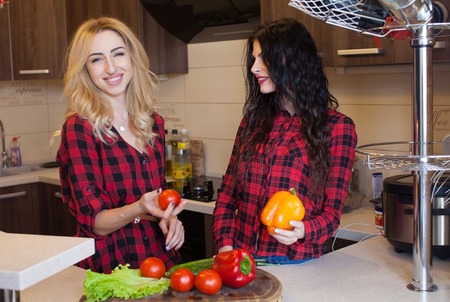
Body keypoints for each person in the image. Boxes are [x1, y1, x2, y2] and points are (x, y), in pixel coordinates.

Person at [212, 18, 357, 264]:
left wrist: (304, 230)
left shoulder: (337, 128)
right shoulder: (252, 122)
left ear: (291, 60)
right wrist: (226, 246)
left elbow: (331, 214)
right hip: (241, 258)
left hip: (295, 262)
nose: (254, 68)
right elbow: (227, 194)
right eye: (254, 59)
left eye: (262, 58)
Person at [56, 17, 186, 274]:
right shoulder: (79, 129)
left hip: (158, 262)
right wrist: (139, 207)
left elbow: (156, 199)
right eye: (96, 59)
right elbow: (95, 223)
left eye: (118, 54)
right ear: (85, 69)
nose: (111, 67)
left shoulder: (153, 123)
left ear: (132, 58)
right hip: (111, 268)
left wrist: (169, 218)